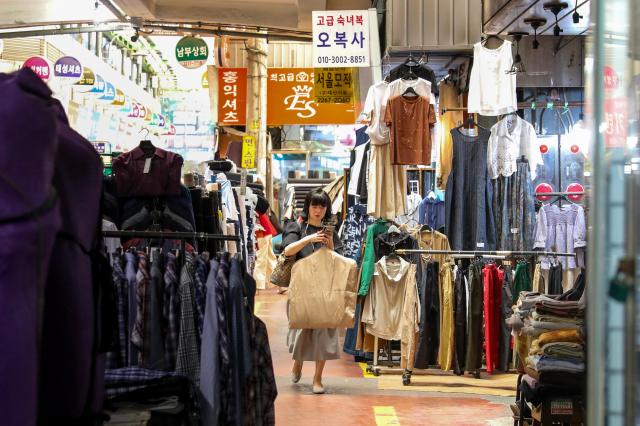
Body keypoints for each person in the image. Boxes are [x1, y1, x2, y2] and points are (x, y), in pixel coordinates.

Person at [281, 187, 343, 394]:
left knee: (324, 335)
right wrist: (310, 238)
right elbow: (287, 250)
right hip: (301, 290)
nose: (318, 210)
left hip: (326, 290)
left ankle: (318, 378)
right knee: (300, 332)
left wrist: (331, 244)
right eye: (314, 205)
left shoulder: (330, 230)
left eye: (322, 206)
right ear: (308, 207)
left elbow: (339, 261)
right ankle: (298, 361)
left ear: (327, 208)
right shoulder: (296, 227)